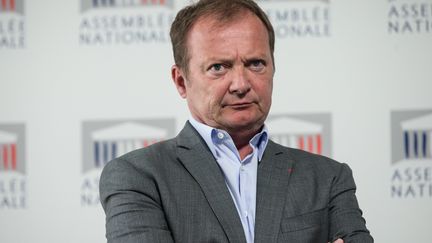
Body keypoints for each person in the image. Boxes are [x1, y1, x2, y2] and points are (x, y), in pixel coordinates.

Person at [99, 0, 373, 242]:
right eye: (219, 67)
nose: (241, 84)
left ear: (273, 68)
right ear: (181, 81)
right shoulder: (138, 177)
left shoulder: (328, 178)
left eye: (255, 64)